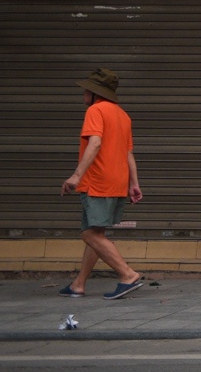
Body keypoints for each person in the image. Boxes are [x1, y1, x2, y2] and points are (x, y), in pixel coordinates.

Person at [59, 69, 146, 301]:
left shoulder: (95, 111)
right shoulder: (122, 115)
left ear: (96, 93)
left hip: (97, 181)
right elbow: (128, 154)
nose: (84, 93)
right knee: (96, 232)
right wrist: (134, 184)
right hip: (117, 181)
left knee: (89, 234)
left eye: (86, 89)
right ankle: (79, 284)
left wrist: (76, 176)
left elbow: (95, 144)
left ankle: (127, 275)